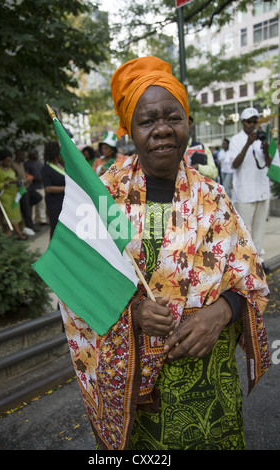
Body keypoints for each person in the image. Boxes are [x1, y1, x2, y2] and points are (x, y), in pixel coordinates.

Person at [60, 57, 270, 451]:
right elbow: (76, 283)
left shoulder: (213, 195)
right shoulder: (102, 197)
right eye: (147, 121)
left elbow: (251, 275)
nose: (162, 130)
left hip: (213, 388)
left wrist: (222, 312)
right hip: (139, 397)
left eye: (173, 117)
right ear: (130, 130)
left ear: (187, 122)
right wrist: (133, 313)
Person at [228, 107, 272, 268]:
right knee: (244, 232)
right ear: (242, 122)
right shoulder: (236, 140)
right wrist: (248, 144)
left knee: (260, 229)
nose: (252, 125)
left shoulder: (262, 138)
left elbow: (268, 164)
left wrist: (266, 150)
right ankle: (246, 263)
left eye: (254, 122)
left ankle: (259, 261)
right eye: (249, 121)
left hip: (262, 191)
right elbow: (234, 164)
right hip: (245, 194)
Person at [0, 149, 27, 240]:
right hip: (6, 196)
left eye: (9, 161)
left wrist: (17, 181)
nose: (8, 163)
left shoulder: (10, 169)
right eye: (7, 161)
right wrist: (7, 183)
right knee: (10, 215)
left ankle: (9, 234)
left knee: (16, 214)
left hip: (14, 195)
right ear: (1, 160)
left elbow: (15, 177)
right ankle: (19, 234)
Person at [41, 141, 65, 239]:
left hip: (64, 202)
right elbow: (48, 188)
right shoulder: (46, 169)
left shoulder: (60, 166)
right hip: (55, 204)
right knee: (56, 229)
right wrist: (65, 188)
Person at [11, 149, 37, 236]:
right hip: (20, 190)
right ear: (17, 155)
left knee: (37, 198)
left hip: (26, 187)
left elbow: (24, 175)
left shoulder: (22, 164)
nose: (24, 157)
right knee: (26, 210)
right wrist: (21, 181)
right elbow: (14, 179)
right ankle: (30, 227)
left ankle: (29, 225)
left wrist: (28, 179)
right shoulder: (13, 165)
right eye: (22, 155)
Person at [184, 116, 218, 181]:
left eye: (189, 123)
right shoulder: (170, 148)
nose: (186, 126)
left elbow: (214, 172)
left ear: (192, 127)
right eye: (183, 123)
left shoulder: (203, 148)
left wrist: (198, 167)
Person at [24, 149, 48, 226]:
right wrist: (35, 178)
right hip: (33, 187)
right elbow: (26, 175)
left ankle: (43, 219)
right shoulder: (27, 164)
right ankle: (32, 221)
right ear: (31, 155)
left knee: (42, 204)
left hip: (41, 185)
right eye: (35, 154)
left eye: (37, 154)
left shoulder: (39, 163)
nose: (37, 156)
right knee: (33, 206)